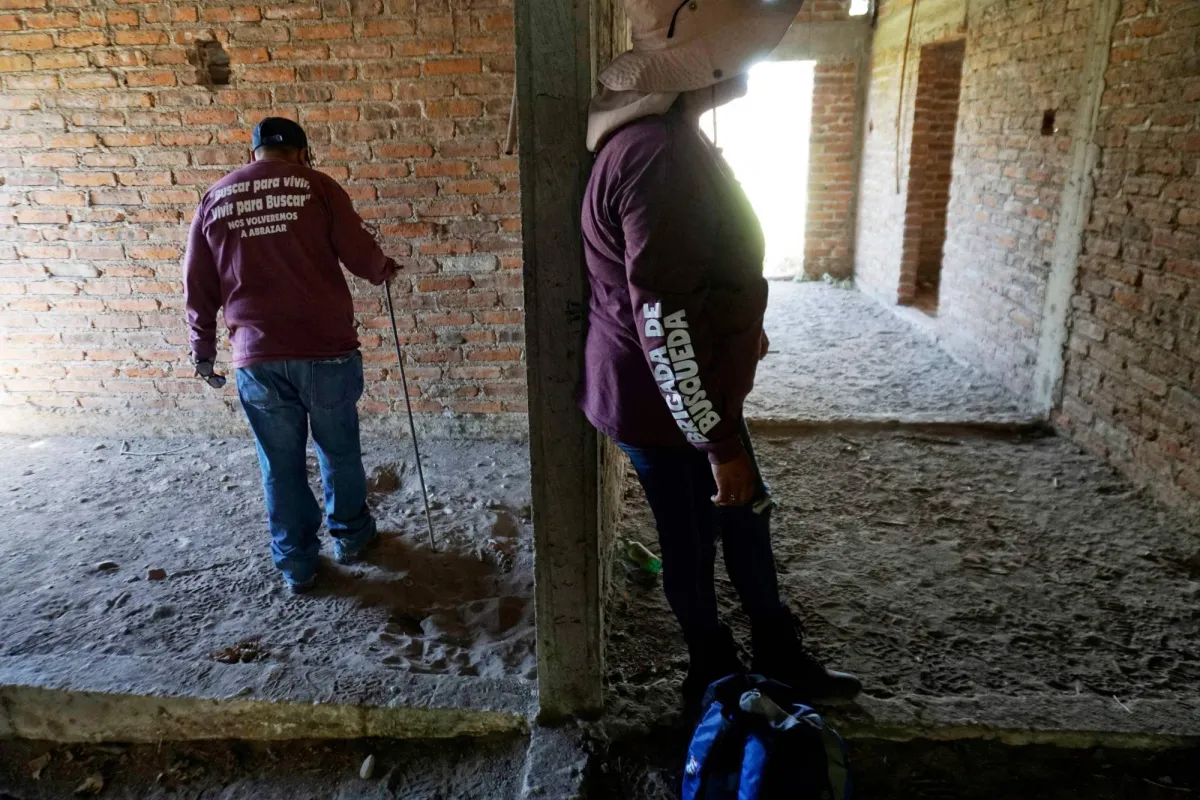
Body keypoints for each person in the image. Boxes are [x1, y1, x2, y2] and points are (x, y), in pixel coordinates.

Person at [580, 0, 863, 711]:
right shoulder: (658, 157)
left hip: (678, 393)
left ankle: (769, 653)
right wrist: (718, 440)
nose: (744, 67)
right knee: (697, 536)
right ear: (699, 69)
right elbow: (664, 317)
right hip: (667, 401)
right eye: (734, 54)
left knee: (740, 517)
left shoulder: (666, 139)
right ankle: (712, 673)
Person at [183, 118, 398, 594]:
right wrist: (382, 269)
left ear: (255, 151)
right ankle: (352, 537)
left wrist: (203, 350)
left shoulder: (215, 197)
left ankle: (297, 563)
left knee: (279, 463)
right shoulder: (317, 186)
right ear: (302, 152)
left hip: (256, 356)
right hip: (326, 350)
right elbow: (358, 252)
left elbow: (197, 283)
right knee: (338, 449)